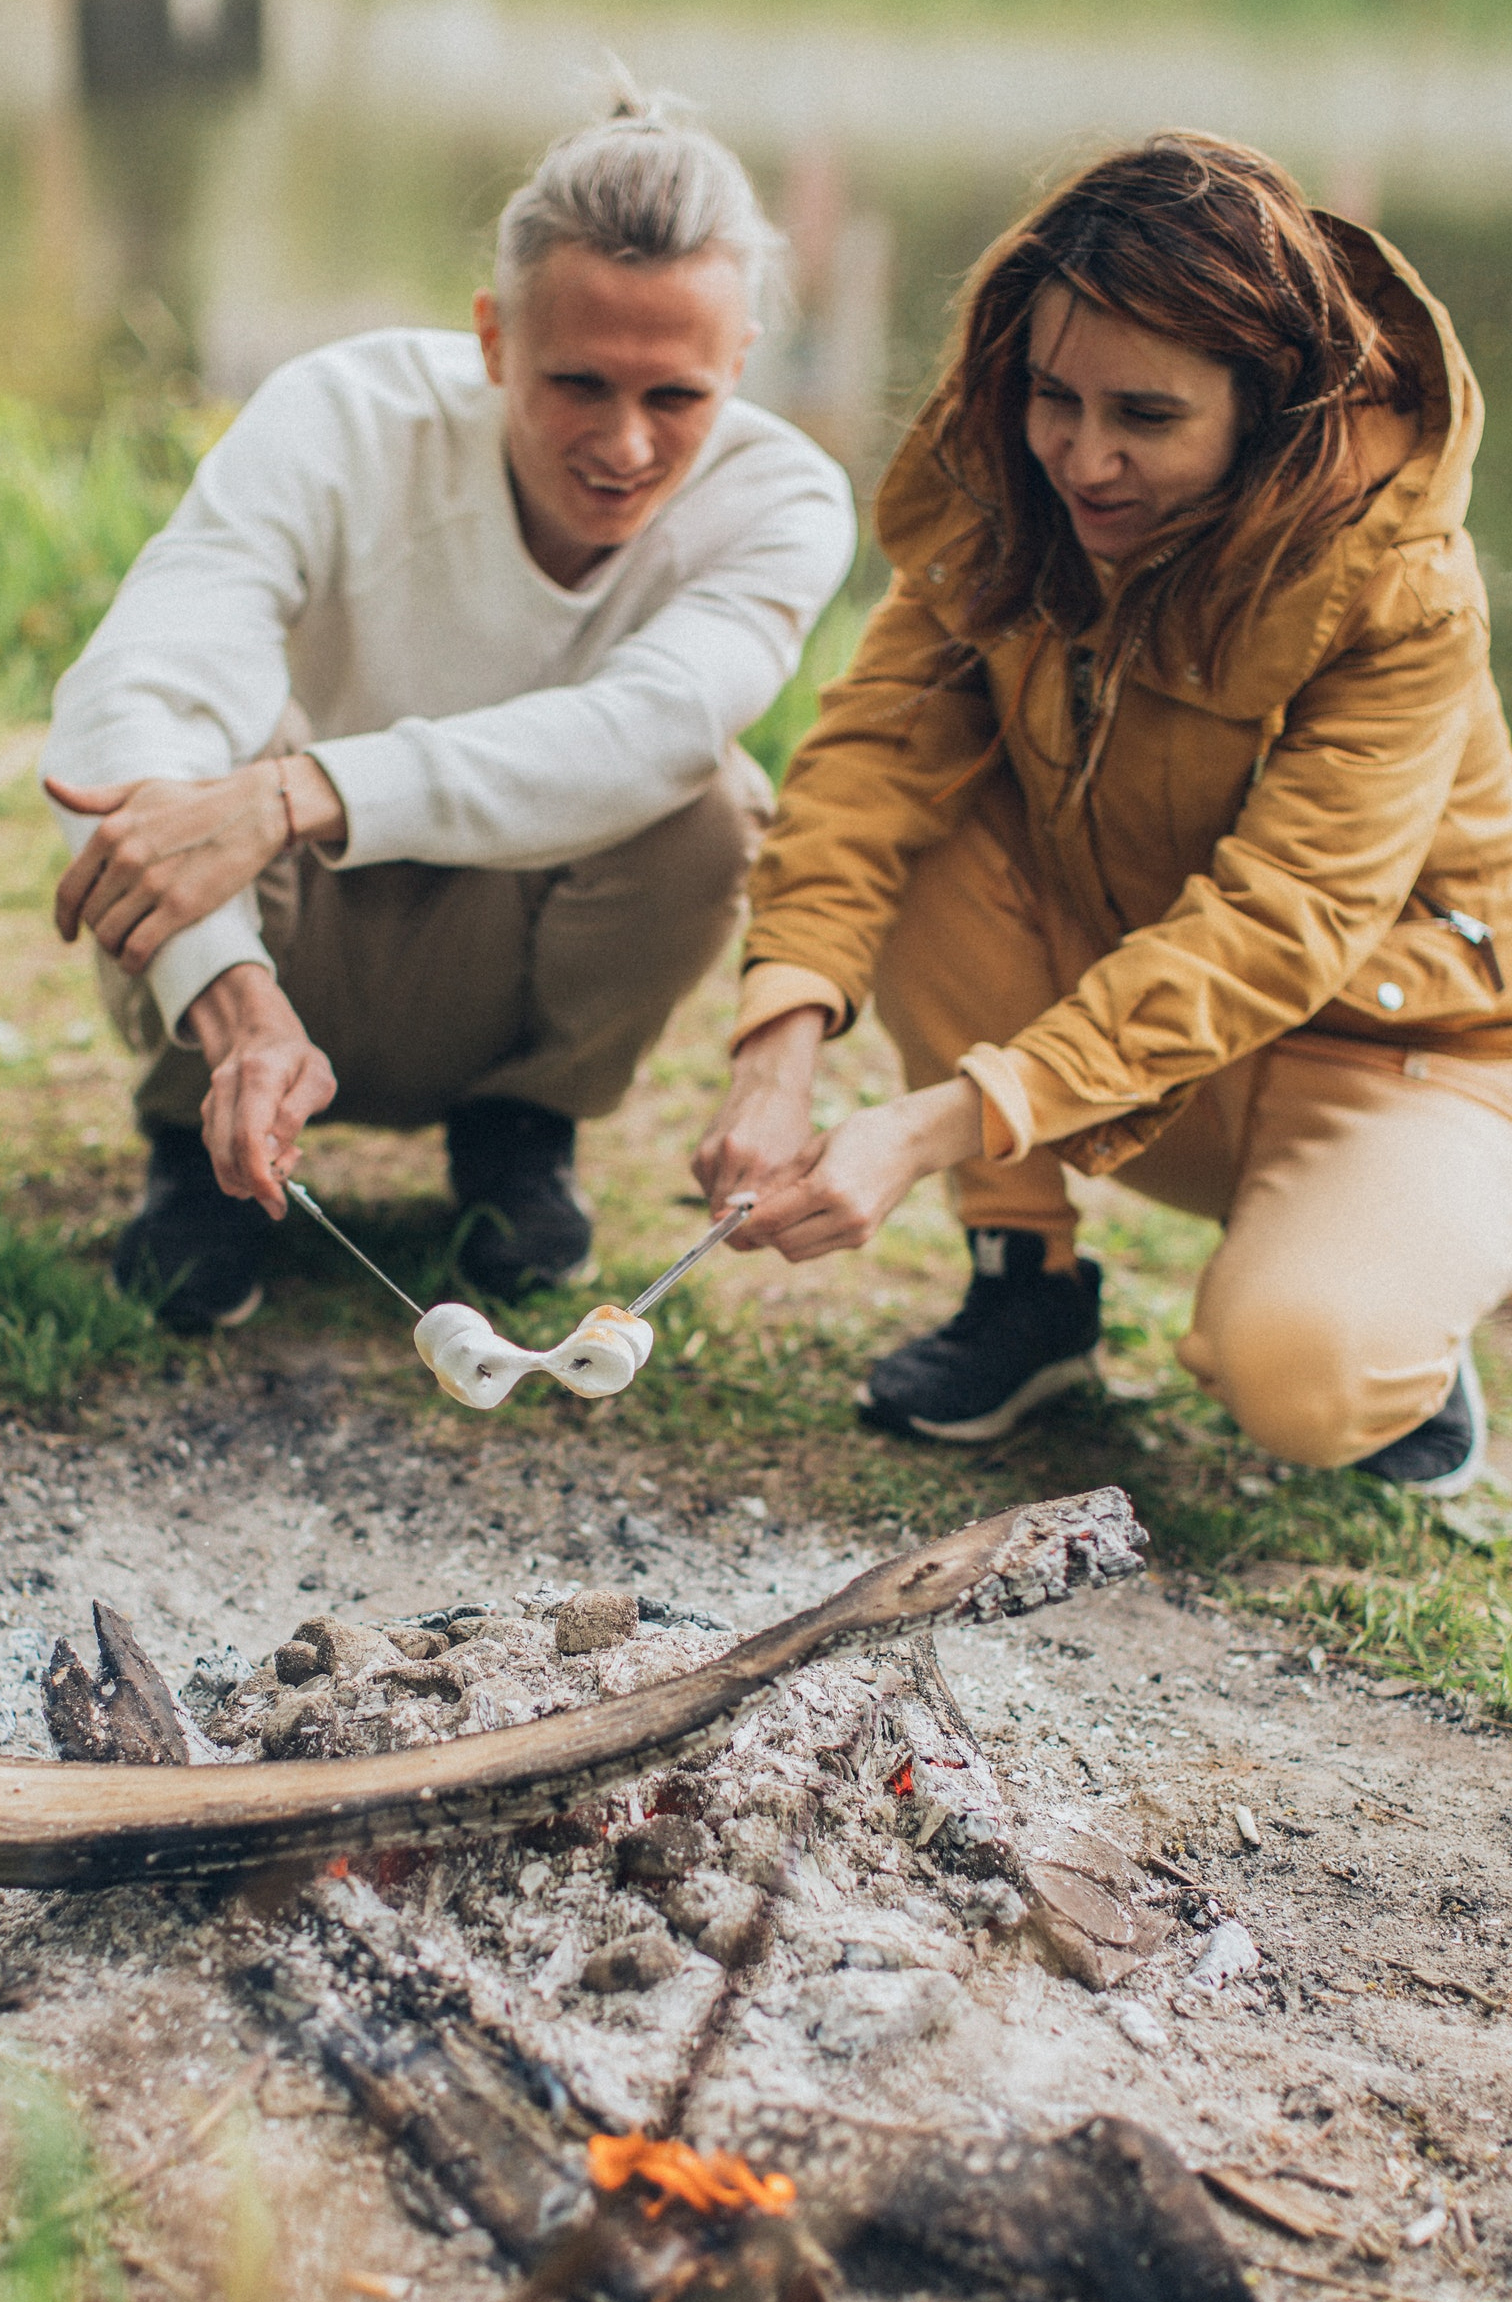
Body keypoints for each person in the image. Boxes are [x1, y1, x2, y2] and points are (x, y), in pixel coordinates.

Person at [696, 133, 1512, 1499]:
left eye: (1146, 416)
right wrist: (778, 1047)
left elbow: (1277, 928)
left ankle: (1420, 1270)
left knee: (1301, 1379)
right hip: (1146, 1015)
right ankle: (1026, 1287)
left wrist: (929, 1125)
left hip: (1396, 1042)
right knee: (929, 814)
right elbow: (873, 760)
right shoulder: (1009, 491)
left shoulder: (1400, 590)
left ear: (1268, 411)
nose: (1084, 455)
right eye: (1052, 396)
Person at [43, 93, 855, 1333]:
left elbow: (651, 727)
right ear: (491, 338)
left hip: (505, 960)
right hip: (273, 941)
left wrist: (291, 795)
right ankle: (202, 1128)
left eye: (677, 396)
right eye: (577, 381)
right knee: (172, 758)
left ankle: (517, 1135)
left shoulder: (786, 499)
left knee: (712, 797)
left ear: (741, 362)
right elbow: (128, 691)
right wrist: (231, 993)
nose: (626, 444)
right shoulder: (341, 413)